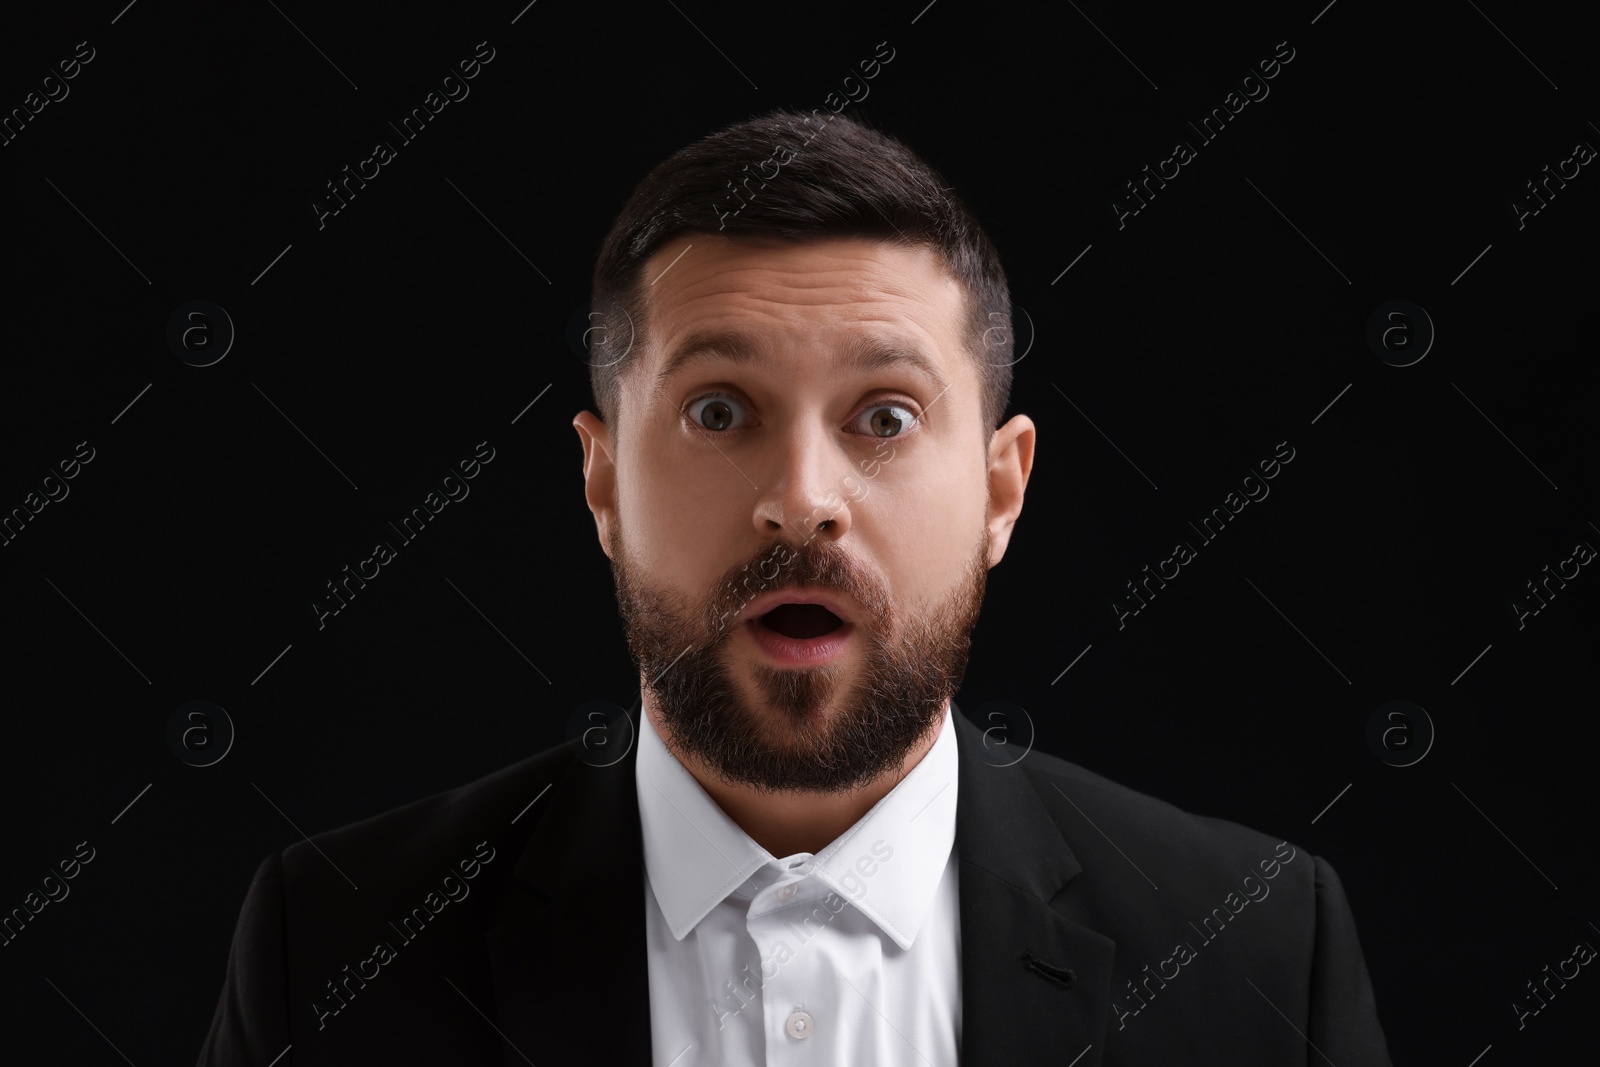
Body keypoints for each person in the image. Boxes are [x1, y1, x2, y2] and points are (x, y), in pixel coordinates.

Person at [198, 109, 1392, 1065]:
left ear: (1000, 490)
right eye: (719, 410)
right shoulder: (339, 947)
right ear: (603, 481)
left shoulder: (1255, 949)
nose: (802, 498)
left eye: (884, 415)